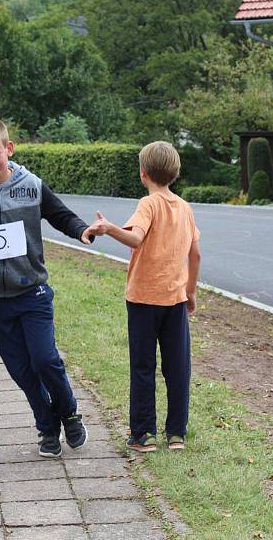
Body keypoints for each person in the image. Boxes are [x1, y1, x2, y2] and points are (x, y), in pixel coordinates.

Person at [0, 116, 93, 458]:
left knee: (45, 360)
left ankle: (70, 412)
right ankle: (47, 428)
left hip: (32, 292)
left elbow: (61, 215)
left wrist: (83, 231)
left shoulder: (31, 184)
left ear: (8, 149)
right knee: (22, 371)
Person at [85, 141, 201, 452]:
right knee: (178, 368)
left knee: (142, 366)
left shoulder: (148, 204)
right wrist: (190, 292)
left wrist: (109, 228)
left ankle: (144, 434)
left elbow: (136, 238)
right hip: (175, 299)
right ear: (174, 173)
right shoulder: (185, 208)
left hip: (143, 299)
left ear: (143, 173)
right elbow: (196, 254)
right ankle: (176, 433)